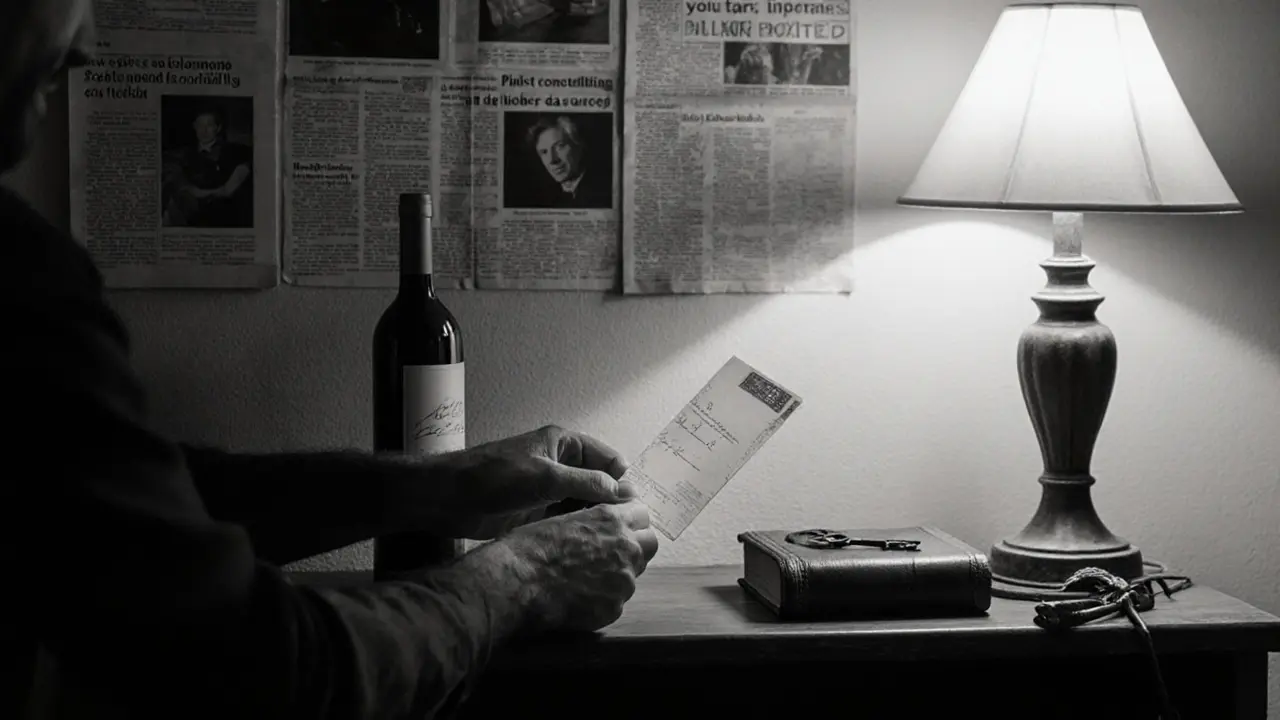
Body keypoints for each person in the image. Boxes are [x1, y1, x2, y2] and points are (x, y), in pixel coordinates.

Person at [0, 2, 659, 719]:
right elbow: (266, 671)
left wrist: (452, 484)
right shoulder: (14, 277)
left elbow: (152, 506)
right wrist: (530, 575)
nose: (86, 46)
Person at [162, 105, 254, 228]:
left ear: (218, 128)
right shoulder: (184, 155)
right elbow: (181, 186)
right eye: (200, 125)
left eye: (209, 125)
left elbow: (229, 190)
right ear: (194, 127)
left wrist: (200, 192)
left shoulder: (235, 151)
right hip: (193, 218)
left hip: (227, 217)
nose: (203, 130)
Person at [524, 114, 611, 209]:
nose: (552, 160)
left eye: (560, 147)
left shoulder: (605, 193)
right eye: (544, 152)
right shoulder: (553, 200)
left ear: (579, 146)